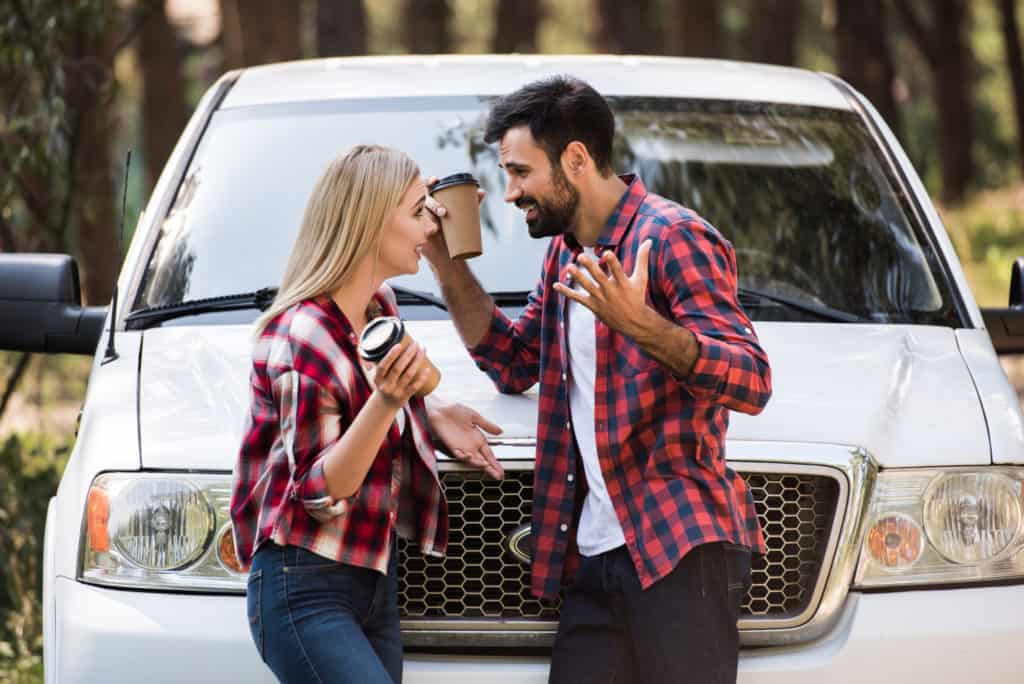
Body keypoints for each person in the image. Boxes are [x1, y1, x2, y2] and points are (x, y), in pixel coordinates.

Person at [423, 77, 772, 683]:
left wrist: (644, 327)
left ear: (576, 159)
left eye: (520, 171)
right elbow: (514, 361)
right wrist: (448, 269)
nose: (509, 193)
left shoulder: (671, 237)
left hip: (678, 549)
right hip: (591, 554)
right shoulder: (567, 253)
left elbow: (751, 378)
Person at [230, 144, 504, 684]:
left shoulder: (379, 307)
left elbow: (366, 393)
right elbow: (319, 489)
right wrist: (390, 400)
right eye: (417, 210)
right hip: (304, 586)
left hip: (374, 583)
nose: (430, 224)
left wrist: (428, 408)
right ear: (371, 221)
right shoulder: (302, 336)